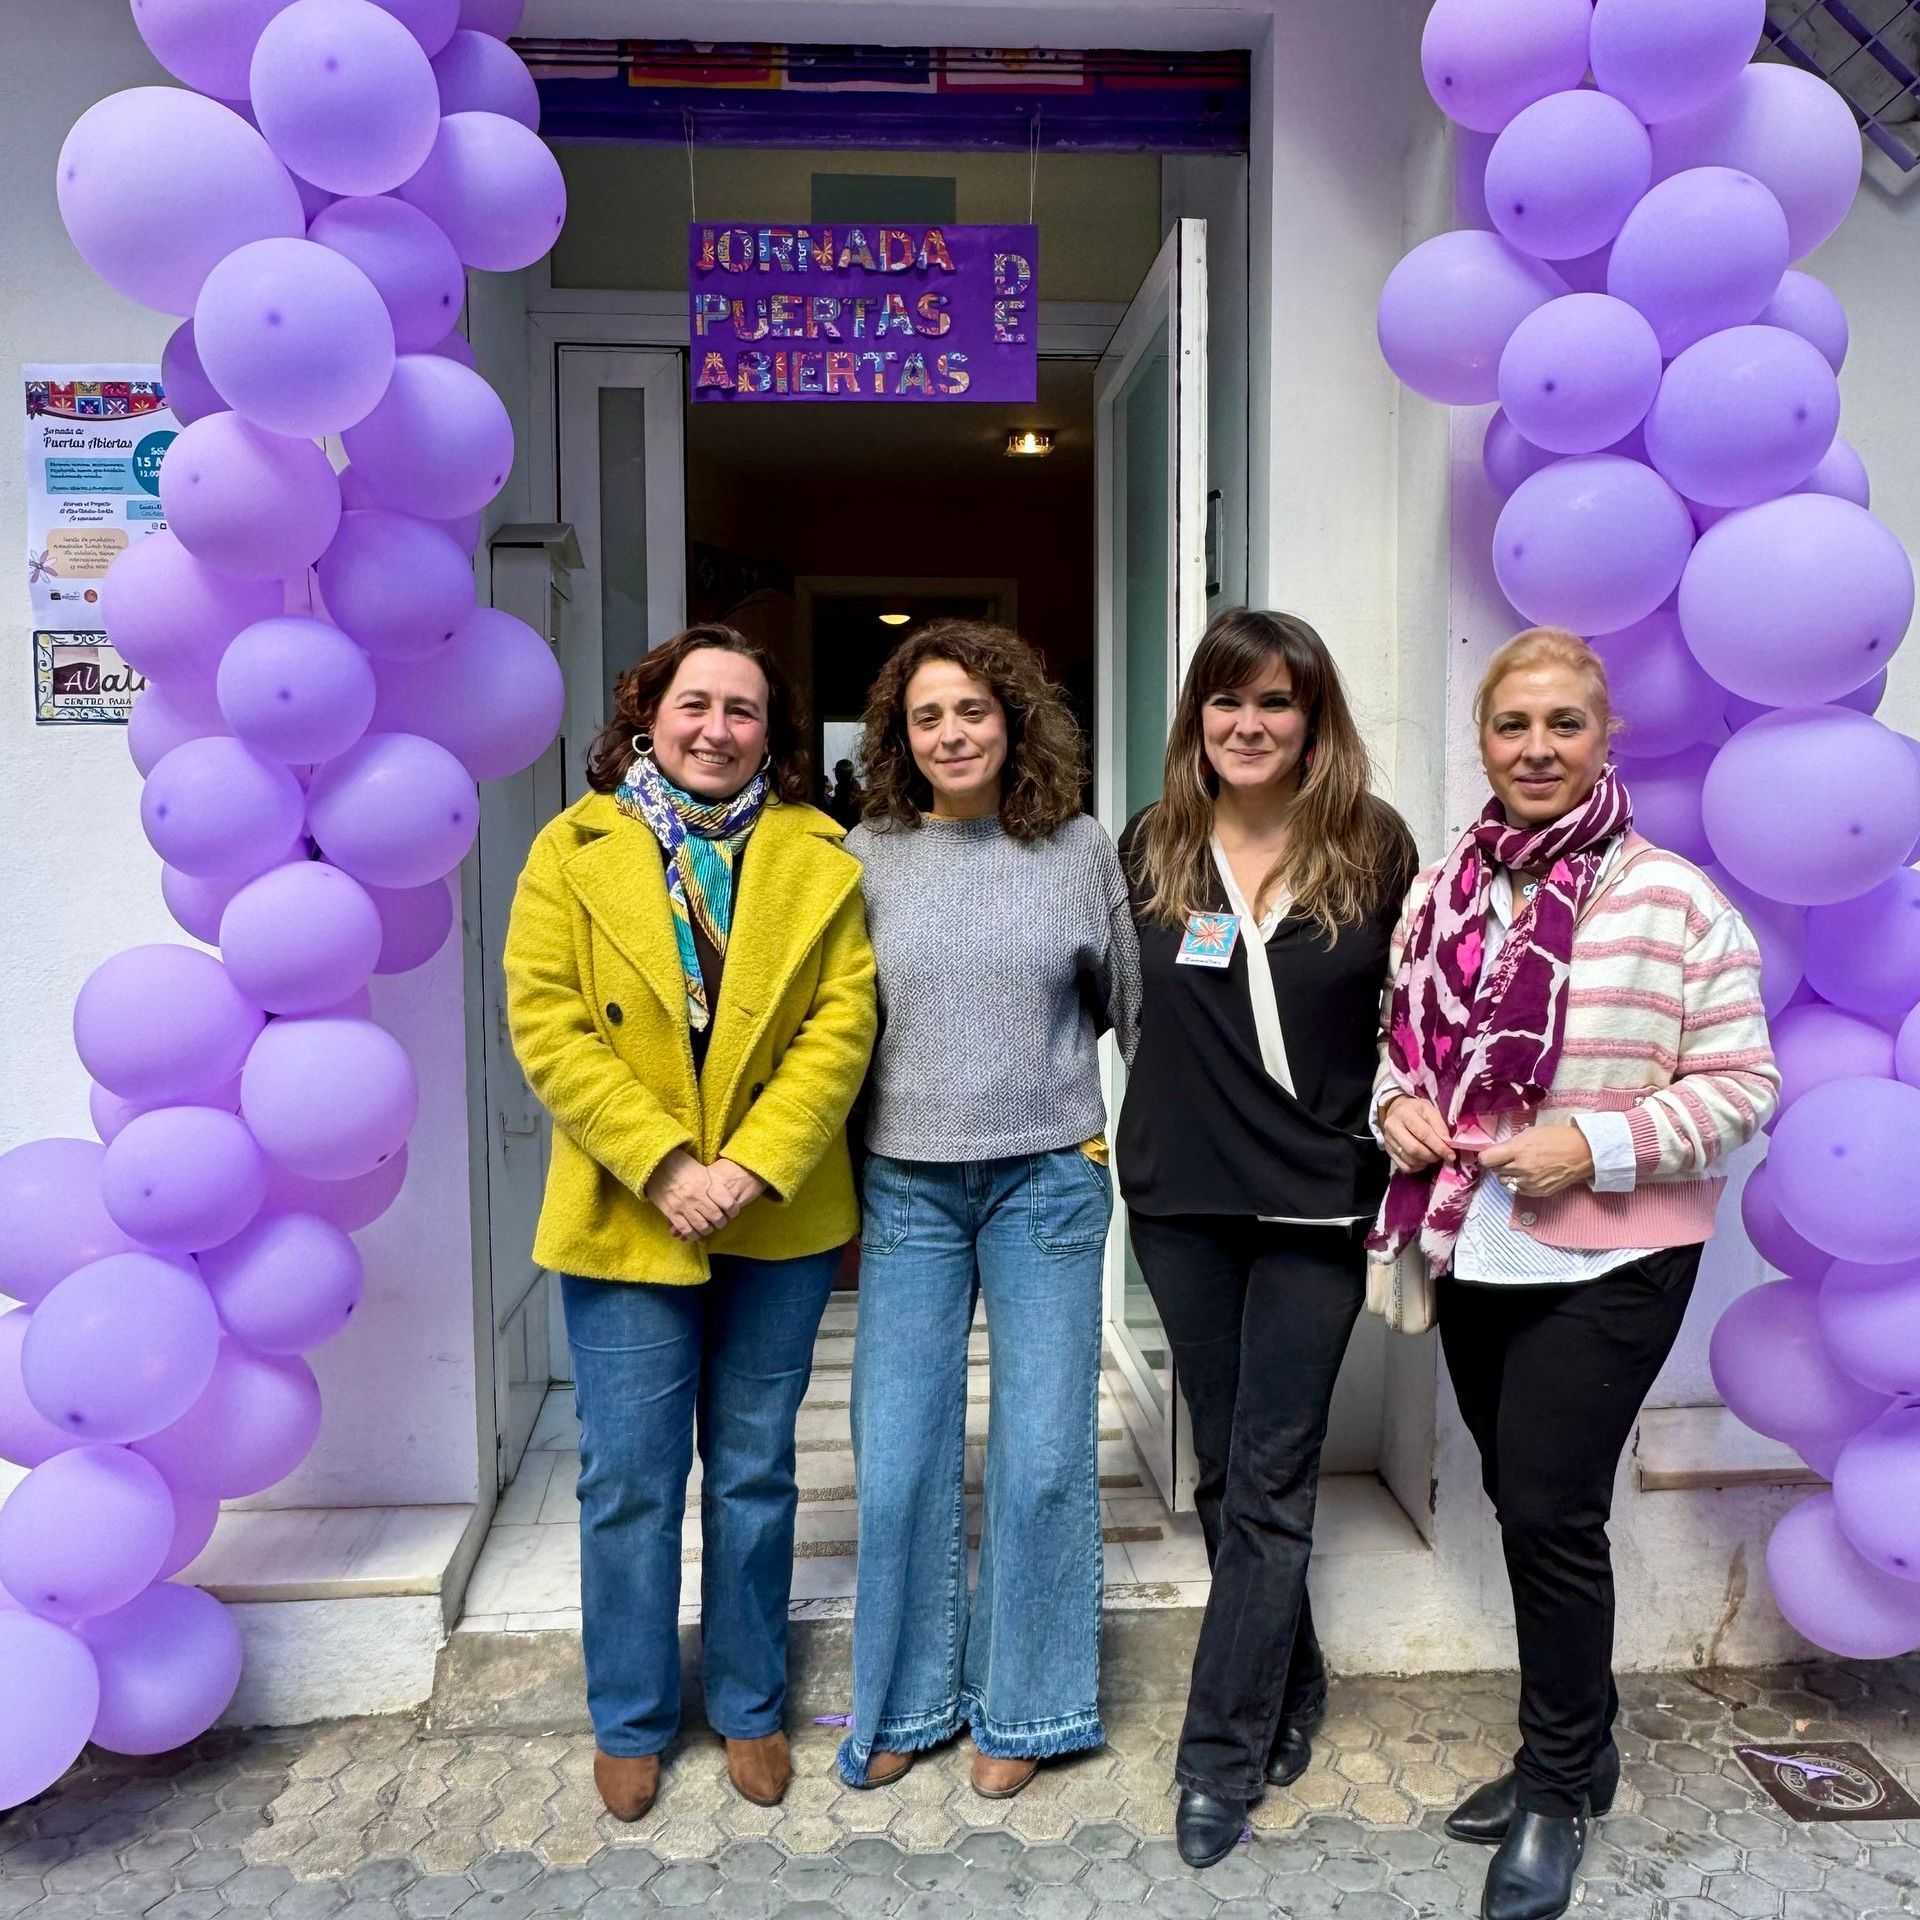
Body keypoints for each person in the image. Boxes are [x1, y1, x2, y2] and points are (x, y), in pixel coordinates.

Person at [1372, 627, 1777, 1920]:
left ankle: (1555, 1789)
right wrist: (1397, 1109)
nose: (1537, 749)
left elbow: (1743, 1086)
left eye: (1564, 725)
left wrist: (1591, 1145)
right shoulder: (1441, 891)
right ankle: (1582, 1744)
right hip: (1471, 1243)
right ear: (1483, 740)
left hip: (1615, 1251)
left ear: (1606, 739)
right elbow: (1400, 1050)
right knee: (1523, 1498)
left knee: (1549, 1510)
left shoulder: (1673, 901)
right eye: (1514, 725)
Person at [504, 624, 876, 1824]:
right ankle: (630, 1716)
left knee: (756, 1471)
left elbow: (841, 1026)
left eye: (743, 710)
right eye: (695, 704)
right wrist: (664, 1163)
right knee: (628, 1477)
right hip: (628, 1209)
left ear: (773, 731)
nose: (717, 729)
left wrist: (751, 1165)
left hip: (775, 1215)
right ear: (646, 716)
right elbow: (548, 1022)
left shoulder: (821, 853)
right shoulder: (570, 849)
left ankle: (751, 1704)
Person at [1115, 608, 1417, 1868]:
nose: (1248, 724)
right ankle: (1292, 1680)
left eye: (1275, 702)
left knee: (1274, 1470)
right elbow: (1102, 998)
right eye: (1226, 701)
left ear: (1312, 719)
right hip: (1180, 1198)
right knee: (1229, 1470)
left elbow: (1419, 1015)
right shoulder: (1151, 844)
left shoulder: (1373, 845)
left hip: (1316, 1201)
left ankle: (1217, 1758)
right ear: (1199, 717)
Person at [836, 620, 1141, 1798]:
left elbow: (1132, 1010)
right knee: (899, 1459)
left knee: (1043, 1459)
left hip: (1045, 1186)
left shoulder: (1077, 849)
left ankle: (1029, 1706)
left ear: (1014, 720)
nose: (952, 733)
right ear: (899, 737)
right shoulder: (865, 855)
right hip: (909, 1189)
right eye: (928, 716)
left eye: (972, 710)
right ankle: (906, 1702)